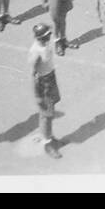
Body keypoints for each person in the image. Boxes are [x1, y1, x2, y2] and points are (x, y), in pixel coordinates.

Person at [28, 23, 63, 158]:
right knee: (47, 114)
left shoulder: (44, 45)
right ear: (41, 37)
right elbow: (34, 74)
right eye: (47, 35)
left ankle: (47, 135)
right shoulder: (36, 51)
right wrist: (38, 95)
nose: (50, 36)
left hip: (50, 78)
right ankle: (48, 144)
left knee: (48, 111)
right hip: (43, 83)